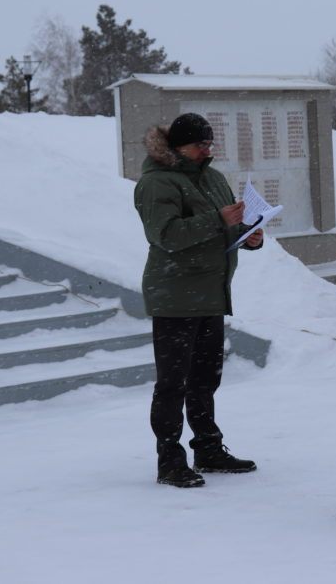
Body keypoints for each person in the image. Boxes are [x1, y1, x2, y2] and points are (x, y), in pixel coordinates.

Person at [134, 113, 263, 488]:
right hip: (175, 295)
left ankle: (208, 448)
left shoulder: (213, 178)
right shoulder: (156, 183)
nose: (208, 151)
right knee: (173, 383)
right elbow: (167, 235)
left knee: (205, 379)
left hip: (210, 292)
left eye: (210, 144)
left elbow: (224, 226)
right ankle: (170, 460)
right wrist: (218, 220)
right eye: (200, 145)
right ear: (177, 147)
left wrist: (248, 235)